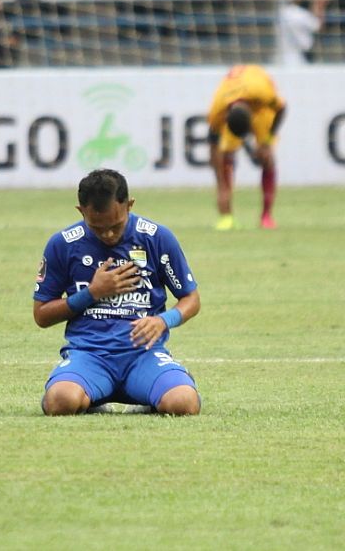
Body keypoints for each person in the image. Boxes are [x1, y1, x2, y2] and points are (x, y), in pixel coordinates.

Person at [33, 169, 201, 416]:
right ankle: (90, 397)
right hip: (89, 355)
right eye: (97, 228)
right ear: (81, 211)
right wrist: (91, 293)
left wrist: (163, 321)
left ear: (129, 205)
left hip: (144, 355)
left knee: (183, 404)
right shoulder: (63, 244)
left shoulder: (156, 238)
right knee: (60, 402)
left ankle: (159, 389)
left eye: (115, 225)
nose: (108, 235)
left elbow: (191, 298)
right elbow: (42, 315)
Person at [207, 64, 286, 231]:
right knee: (223, 159)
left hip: (259, 106)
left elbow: (282, 108)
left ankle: (266, 216)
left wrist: (267, 141)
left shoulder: (263, 94)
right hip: (236, 103)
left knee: (267, 158)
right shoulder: (218, 108)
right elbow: (213, 141)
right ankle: (226, 217)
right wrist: (219, 177)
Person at [275, 0, 327, 67]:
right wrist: (320, 7)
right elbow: (319, 27)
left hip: (284, 56)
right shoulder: (299, 14)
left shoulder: (281, 13)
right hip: (300, 58)